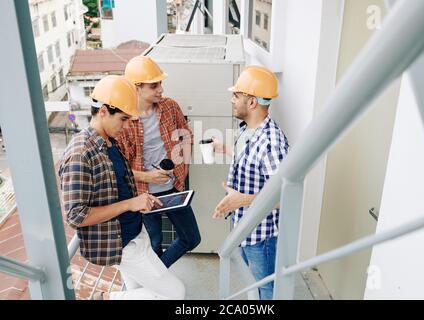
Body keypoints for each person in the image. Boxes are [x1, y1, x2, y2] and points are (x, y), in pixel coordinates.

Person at [59, 75, 185, 300]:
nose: (128, 126)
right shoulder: (80, 153)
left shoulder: (109, 142)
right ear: (104, 111)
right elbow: (76, 216)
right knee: (175, 293)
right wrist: (130, 203)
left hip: (134, 233)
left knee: (138, 294)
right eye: (124, 119)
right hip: (122, 244)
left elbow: (118, 188)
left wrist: (139, 202)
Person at [212, 66, 289, 300]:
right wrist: (224, 148)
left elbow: (285, 195)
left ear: (253, 102)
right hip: (244, 228)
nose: (232, 100)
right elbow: (248, 159)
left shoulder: (272, 143)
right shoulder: (247, 129)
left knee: (266, 289)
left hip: (261, 237)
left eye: (237, 95)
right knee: (252, 286)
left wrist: (241, 200)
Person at [117, 56, 201, 268]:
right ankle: (154, 286)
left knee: (191, 238)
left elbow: (186, 136)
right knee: (153, 244)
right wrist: (147, 176)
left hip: (173, 188)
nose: (161, 90)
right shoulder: (123, 121)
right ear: (137, 87)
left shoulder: (170, 107)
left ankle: (156, 278)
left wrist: (179, 165)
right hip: (143, 195)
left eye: (160, 84)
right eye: (154, 85)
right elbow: (117, 168)